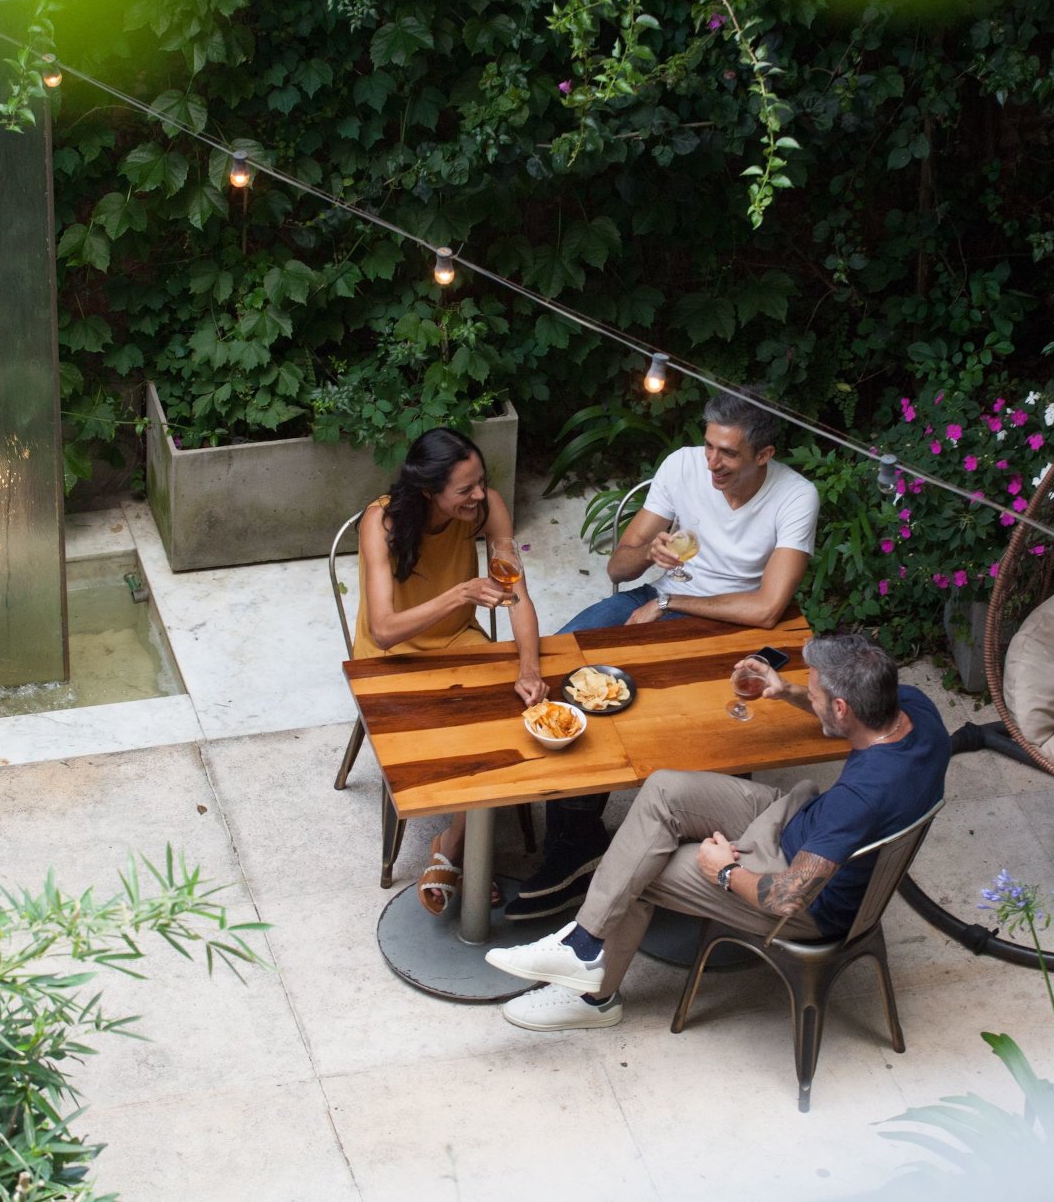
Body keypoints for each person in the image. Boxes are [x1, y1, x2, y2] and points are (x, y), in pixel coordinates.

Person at [484, 632, 949, 1032]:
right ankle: (583, 947)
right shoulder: (913, 709)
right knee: (663, 789)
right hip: (794, 819)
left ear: (843, 707)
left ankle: (594, 998)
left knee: (640, 865)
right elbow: (843, 724)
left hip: (805, 898)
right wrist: (785, 691)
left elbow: (787, 898)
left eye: (815, 693)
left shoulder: (861, 798)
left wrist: (724, 871)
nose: (810, 697)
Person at [506, 389, 822, 923]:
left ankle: (702, 842)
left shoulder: (795, 496)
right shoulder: (682, 465)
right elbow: (617, 569)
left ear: (764, 455)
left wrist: (672, 602)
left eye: (729, 453)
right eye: (709, 445)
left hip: (728, 622)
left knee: (665, 716)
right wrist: (647, 556)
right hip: (659, 595)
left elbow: (768, 608)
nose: (712, 462)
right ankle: (577, 836)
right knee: (562, 672)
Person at [353, 427, 545, 915]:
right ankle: (464, 846)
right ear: (428, 491)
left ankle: (454, 842)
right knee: (452, 738)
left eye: (481, 481)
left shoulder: (487, 507)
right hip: (391, 658)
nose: (479, 495)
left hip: (459, 641)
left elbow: (517, 594)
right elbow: (384, 630)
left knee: (516, 725)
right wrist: (461, 593)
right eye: (465, 489)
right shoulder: (382, 522)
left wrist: (528, 668)